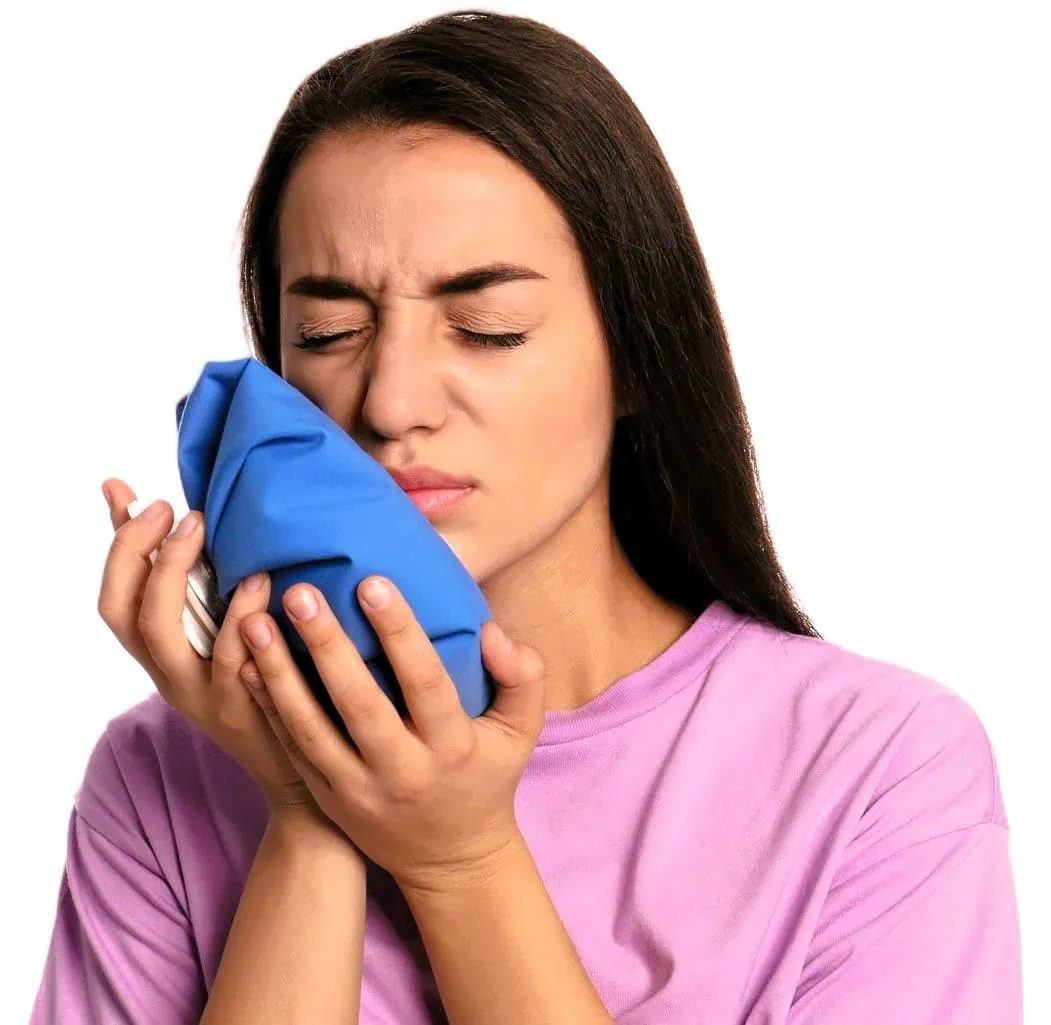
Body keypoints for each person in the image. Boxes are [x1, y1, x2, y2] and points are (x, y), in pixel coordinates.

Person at [30, 9, 1023, 1025]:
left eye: (486, 327)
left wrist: (461, 859)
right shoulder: (161, 774)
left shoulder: (878, 765)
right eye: (328, 331)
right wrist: (308, 807)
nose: (391, 401)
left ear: (637, 354)